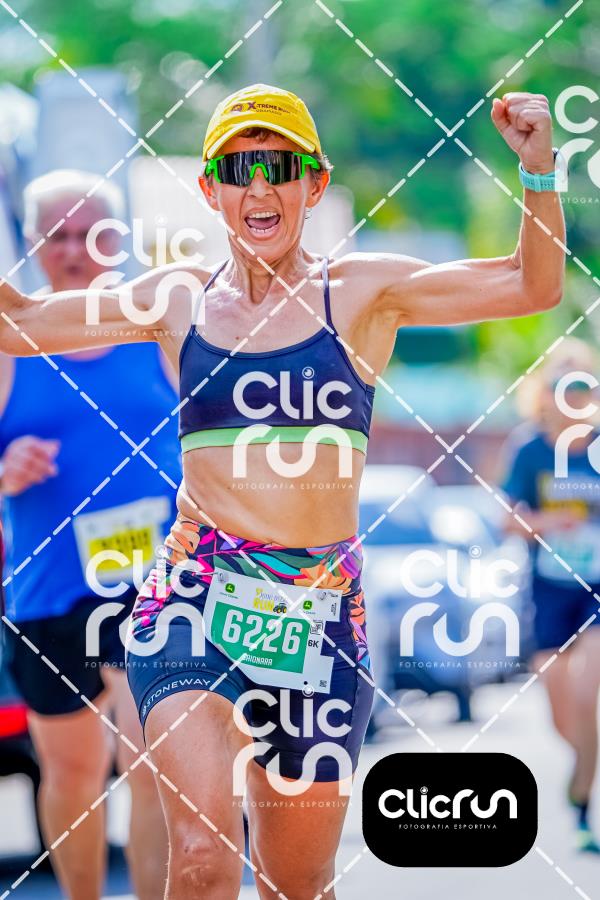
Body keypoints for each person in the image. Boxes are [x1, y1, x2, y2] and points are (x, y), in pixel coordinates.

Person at [0, 84, 564, 898]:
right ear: (211, 190)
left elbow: (528, 286)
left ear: (315, 183)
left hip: (318, 615)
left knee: (294, 881)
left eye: (280, 166)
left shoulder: (361, 292)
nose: (259, 187)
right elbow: (20, 322)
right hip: (193, 598)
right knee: (204, 856)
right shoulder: (178, 299)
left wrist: (539, 172)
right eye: (239, 169)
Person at [0, 170, 176, 899]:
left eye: (88, 234)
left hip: (157, 584)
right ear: (32, 244)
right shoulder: (11, 345)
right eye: (56, 235)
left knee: (150, 761)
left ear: (116, 240)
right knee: (72, 771)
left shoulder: (156, 329)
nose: (73, 250)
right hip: (49, 590)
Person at [502, 338, 600, 853]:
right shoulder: (530, 449)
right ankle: (583, 770)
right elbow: (508, 519)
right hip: (548, 587)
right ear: (545, 393)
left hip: (595, 589)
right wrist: (546, 522)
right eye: (563, 386)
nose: (574, 396)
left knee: (586, 693)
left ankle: (582, 798)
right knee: (563, 711)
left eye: (584, 386)